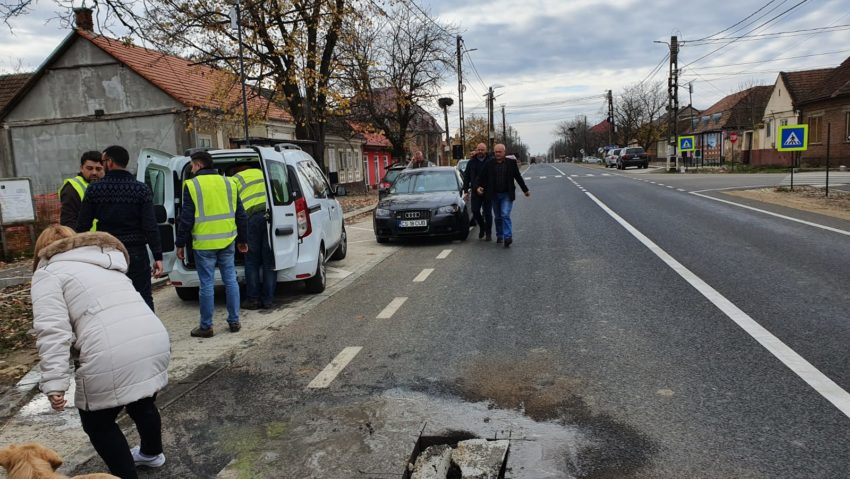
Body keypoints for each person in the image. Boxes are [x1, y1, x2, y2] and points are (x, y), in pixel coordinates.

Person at [31, 225, 170, 479]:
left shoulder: (48, 274)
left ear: (41, 252)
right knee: (142, 400)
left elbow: (53, 332)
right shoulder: (104, 262)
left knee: (97, 422)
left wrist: (54, 384)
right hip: (152, 338)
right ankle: (152, 454)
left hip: (111, 350)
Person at [76, 146, 163, 312]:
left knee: (112, 298)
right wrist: (158, 256)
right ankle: (147, 332)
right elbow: (150, 226)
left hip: (107, 253)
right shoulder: (141, 189)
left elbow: (82, 226)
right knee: (143, 296)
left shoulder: (94, 189)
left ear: (109, 161)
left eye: (102, 162)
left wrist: (81, 255)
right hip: (136, 252)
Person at [176, 151, 248, 337]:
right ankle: (234, 321)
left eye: (192, 165)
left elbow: (186, 218)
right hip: (227, 240)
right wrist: (243, 240)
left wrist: (180, 243)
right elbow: (241, 214)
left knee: (206, 284)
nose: (191, 169)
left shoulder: (192, 185)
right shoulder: (230, 182)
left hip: (203, 244)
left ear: (198, 165)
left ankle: (206, 326)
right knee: (230, 280)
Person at [231, 164, 275, 310]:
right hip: (270, 216)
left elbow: (232, 204)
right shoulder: (263, 173)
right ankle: (268, 300)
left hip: (250, 219)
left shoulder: (235, 179)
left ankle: (253, 300)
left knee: (251, 261)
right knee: (269, 262)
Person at [475, 144, 530, 248]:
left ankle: (508, 237)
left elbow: (518, 177)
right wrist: (479, 186)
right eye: (496, 152)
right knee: (498, 217)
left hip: (507, 194)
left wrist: (525, 190)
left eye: (500, 152)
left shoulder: (511, 163)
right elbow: (481, 177)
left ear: (504, 152)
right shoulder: (489, 164)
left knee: (505, 214)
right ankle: (499, 235)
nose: (498, 154)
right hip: (494, 195)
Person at [59, 151, 104, 228]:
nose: (94, 172)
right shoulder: (72, 188)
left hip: (106, 238)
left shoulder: (106, 186)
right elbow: (68, 222)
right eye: (89, 168)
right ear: (81, 168)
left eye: (98, 169)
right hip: (84, 238)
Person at [463, 143, 493, 241]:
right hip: (475, 190)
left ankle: (488, 232)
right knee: (475, 211)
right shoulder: (471, 162)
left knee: (488, 212)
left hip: (488, 190)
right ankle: (482, 227)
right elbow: (467, 176)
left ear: (486, 150)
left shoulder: (490, 160)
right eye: (478, 149)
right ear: (476, 150)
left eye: (482, 150)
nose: (480, 151)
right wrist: (466, 190)